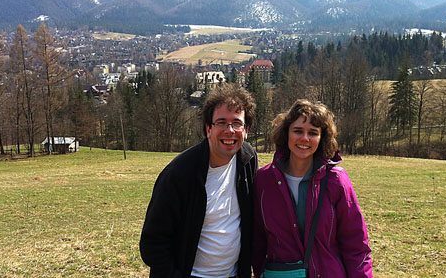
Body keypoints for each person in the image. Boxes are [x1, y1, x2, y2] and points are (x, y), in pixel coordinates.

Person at [140, 84, 258, 278]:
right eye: (221, 122)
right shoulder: (178, 174)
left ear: (246, 130)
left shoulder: (248, 159)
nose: (230, 130)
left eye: (237, 123)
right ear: (208, 128)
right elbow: (152, 244)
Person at [252, 99, 373, 278]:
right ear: (286, 134)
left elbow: (356, 245)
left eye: (313, 133)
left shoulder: (336, 180)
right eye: (298, 131)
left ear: (321, 138)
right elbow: (257, 242)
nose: (305, 138)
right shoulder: (263, 181)